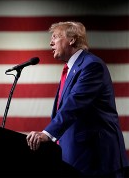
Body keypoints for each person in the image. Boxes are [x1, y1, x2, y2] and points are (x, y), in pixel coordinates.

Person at [26, 21, 128, 177]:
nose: (50, 42)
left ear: (72, 39)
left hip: (96, 158)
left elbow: (74, 104)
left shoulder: (91, 65)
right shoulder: (71, 69)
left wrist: (47, 133)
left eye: (55, 37)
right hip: (75, 156)